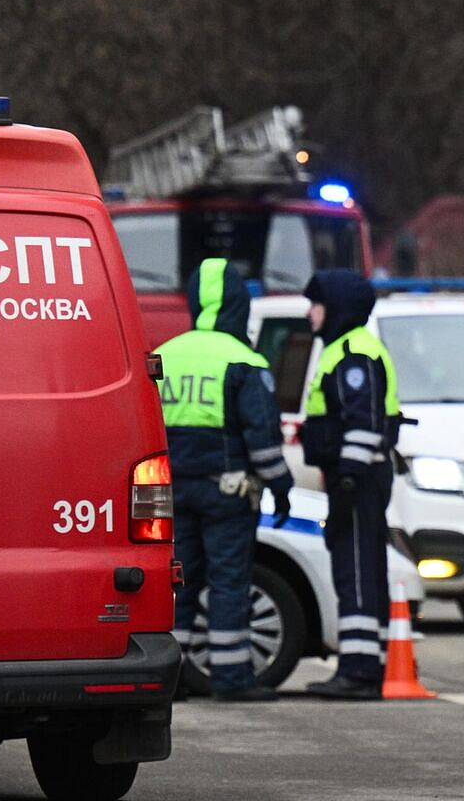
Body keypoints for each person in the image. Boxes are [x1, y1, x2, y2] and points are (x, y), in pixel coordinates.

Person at [158, 258, 292, 702]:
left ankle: (169, 679)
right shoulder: (243, 360)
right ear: (238, 305)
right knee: (230, 580)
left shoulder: (166, 354)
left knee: (180, 580)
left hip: (171, 491)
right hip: (227, 492)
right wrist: (281, 487)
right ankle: (232, 678)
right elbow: (263, 439)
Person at [298, 269, 400, 700]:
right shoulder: (345, 350)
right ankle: (364, 665)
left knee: (355, 571)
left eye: (316, 305)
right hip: (354, 477)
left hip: (356, 479)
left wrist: (347, 478)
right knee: (359, 568)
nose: (310, 313)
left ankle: (359, 671)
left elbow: (363, 423)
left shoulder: (354, 354)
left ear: (336, 308)